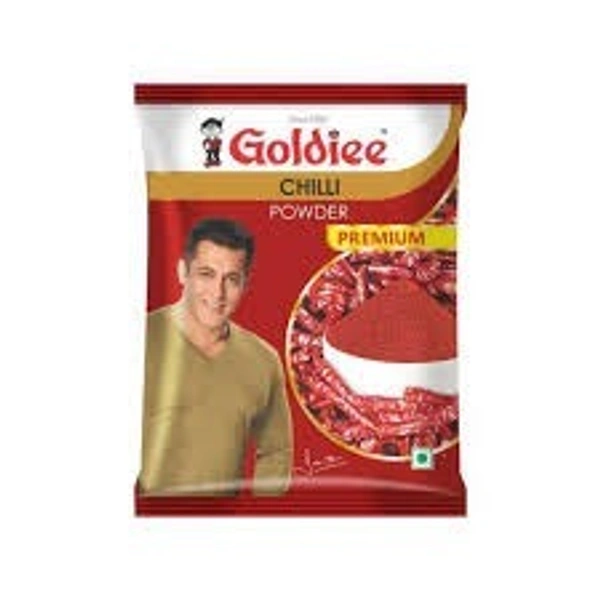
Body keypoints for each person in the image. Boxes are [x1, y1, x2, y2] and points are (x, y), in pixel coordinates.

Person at [139, 218, 293, 496]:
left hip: (222, 519)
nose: (218, 292)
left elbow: (277, 451)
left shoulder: (262, 359)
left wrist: (261, 512)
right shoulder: (141, 339)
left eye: (231, 279)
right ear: (183, 272)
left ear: (245, 284)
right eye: (206, 274)